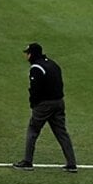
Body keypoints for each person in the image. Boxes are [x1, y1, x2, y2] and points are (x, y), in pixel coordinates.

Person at [13, 43, 78, 173]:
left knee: (33, 130)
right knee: (61, 133)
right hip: (59, 102)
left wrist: (34, 104)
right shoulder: (53, 64)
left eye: (28, 53)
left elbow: (35, 89)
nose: (27, 56)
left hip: (44, 105)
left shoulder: (36, 68)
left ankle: (27, 161)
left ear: (32, 54)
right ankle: (71, 163)